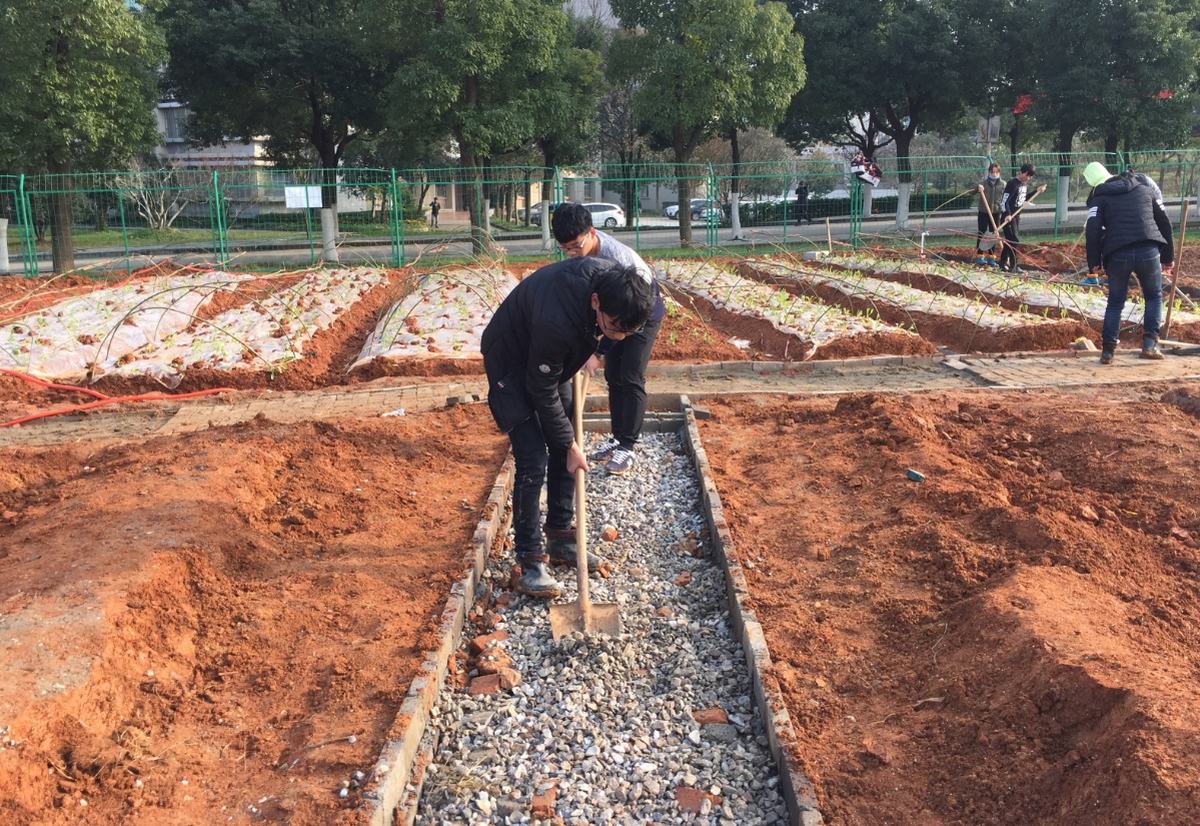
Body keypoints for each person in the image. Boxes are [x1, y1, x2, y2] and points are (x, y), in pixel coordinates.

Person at [481, 257, 653, 598]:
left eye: (626, 331)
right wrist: (571, 445)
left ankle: (560, 537)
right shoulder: (556, 322)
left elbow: (610, 332)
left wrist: (597, 346)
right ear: (595, 303)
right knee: (534, 458)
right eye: (613, 327)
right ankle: (531, 560)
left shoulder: (612, 290)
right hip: (512, 362)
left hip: (549, 359)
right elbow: (541, 392)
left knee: (564, 444)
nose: (618, 336)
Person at [551, 202, 666, 475]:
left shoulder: (618, 258)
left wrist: (599, 351)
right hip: (615, 311)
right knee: (614, 376)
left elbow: (628, 316)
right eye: (564, 248)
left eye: (576, 246)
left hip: (643, 310)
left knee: (630, 375)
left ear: (592, 232)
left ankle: (627, 446)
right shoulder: (580, 256)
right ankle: (617, 437)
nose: (571, 253)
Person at [1083, 161, 1175, 364]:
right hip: (1148, 250)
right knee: (1153, 296)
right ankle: (1150, 345)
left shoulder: (1099, 197)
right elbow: (1164, 222)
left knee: (1115, 301)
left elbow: (1093, 230)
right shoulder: (1144, 189)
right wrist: (1168, 257)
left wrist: (1094, 263)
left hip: (1117, 253)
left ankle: (1108, 352)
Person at [998, 163, 1046, 272]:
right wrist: (1008, 214)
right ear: (1022, 172)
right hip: (1008, 218)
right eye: (1027, 175)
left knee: (1010, 240)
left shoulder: (1024, 184)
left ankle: (1002, 263)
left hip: (1016, 217)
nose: (1028, 178)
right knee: (1014, 240)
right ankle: (1013, 266)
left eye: (1030, 177)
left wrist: (1037, 191)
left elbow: (1025, 198)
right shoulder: (1012, 184)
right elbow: (1004, 201)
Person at [975, 163, 1005, 266]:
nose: (994, 174)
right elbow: (972, 191)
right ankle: (980, 256)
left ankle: (992, 258)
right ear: (989, 172)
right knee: (981, 232)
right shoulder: (983, 183)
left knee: (994, 234)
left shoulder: (1003, 184)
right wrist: (977, 188)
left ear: (999, 172)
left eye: (996, 172)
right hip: (983, 212)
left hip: (996, 212)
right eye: (992, 172)